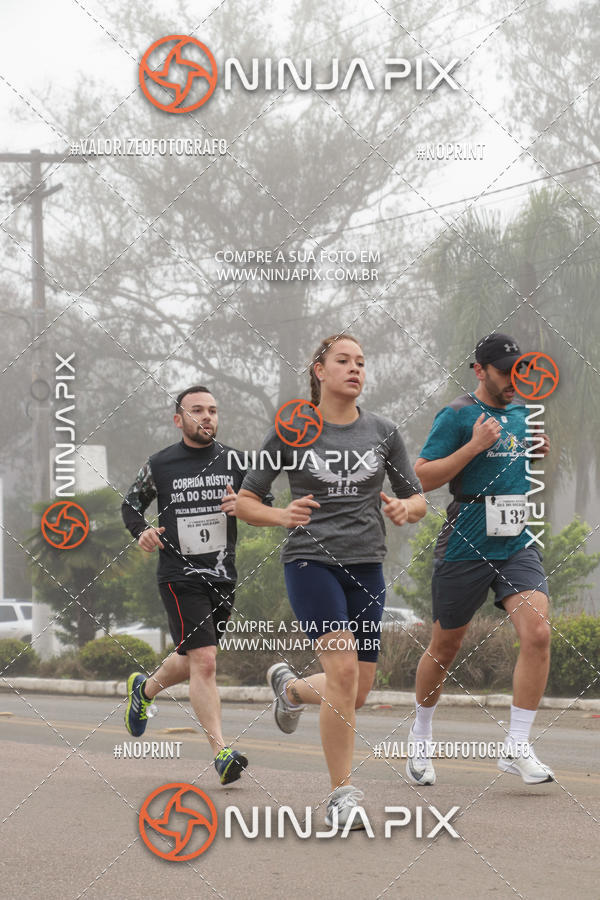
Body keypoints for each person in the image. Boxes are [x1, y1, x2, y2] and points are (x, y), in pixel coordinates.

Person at [235, 334, 426, 828]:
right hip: (310, 563)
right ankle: (342, 794)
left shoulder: (384, 431)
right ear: (318, 370)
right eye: (343, 360)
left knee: (357, 691)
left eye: (361, 361)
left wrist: (406, 507)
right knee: (341, 675)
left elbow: (419, 498)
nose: (355, 369)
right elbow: (247, 501)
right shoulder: (293, 427)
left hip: (367, 566)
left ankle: (292, 690)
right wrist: (283, 517)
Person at [408, 333, 554, 786]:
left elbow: (507, 463)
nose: (515, 380)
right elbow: (423, 476)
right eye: (506, 372)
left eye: (520, 371)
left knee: (538, 632)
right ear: (480, 371)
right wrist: (473, 444)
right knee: (445, 646)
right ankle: (420, 736)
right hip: (466, 542)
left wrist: (531, 451)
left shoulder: (521, 412)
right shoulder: (456, 414)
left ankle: (516, 746)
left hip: (516, 542)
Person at [121, 385, 252, 785]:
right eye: (197, 410)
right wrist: (143, 531)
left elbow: (259, 503)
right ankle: (221, 754)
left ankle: (144, 691)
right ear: (178, 419)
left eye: (213, 410)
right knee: (206, 661)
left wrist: (243, 505)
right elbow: (130, 505)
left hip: (222, 575)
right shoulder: (160, 465)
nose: (207, 417)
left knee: (191, 658)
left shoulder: (235, 461)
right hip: (180, 576)